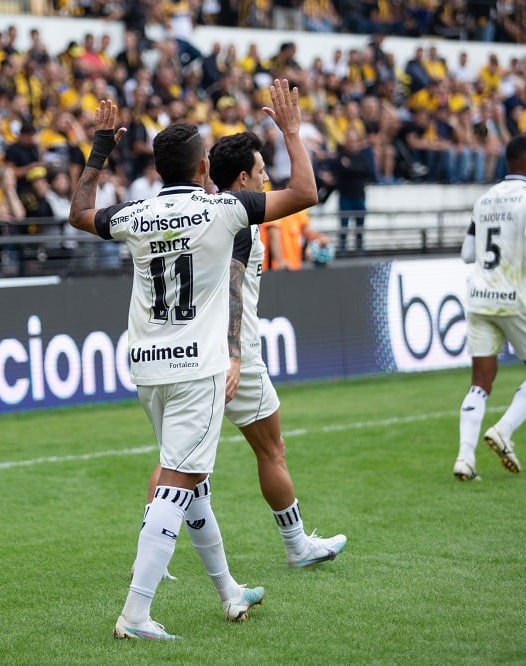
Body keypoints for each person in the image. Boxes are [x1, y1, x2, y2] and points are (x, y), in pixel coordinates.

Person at [68, 79, 318, 640]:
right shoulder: (224, 210)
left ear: (158, 170)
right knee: (179, 483)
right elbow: (304, 194)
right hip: (196, 368)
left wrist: (100, 149)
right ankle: (135, 613)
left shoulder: (133, 215)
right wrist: (293, 132)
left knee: (193, 480)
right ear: (204, 164)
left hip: (147, 365)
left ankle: (228, 591)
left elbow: (79, 212)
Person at [144, 130, 347, 571]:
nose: (267, 179)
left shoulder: (199, 214)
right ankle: (296, 546)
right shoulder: (233, 219)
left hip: (185, 351)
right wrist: (236, 354)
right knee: (270, 450)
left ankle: (149, 554)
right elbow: (236, 284)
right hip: (235, 357)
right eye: (261, 172)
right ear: (242, 178)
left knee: (175, 461)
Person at [453, 134, 526, 482]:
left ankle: (464, 459)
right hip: (516, 297)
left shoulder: (484, 200)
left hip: (480, 297)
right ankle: (504, 430)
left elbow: (468, 254)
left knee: (481, 381)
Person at [330, 129, 374, 257]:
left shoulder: (362, 157)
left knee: (360, 225)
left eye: (354, 141)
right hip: (345, 195)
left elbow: (367, 171)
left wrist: (349, 168)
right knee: (344, 225)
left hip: (359, 195)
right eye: (349, 141)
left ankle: (360, 248)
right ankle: (342, 249)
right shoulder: (341, 156)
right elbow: (339, 171)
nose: (352, 144)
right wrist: (352, 169)